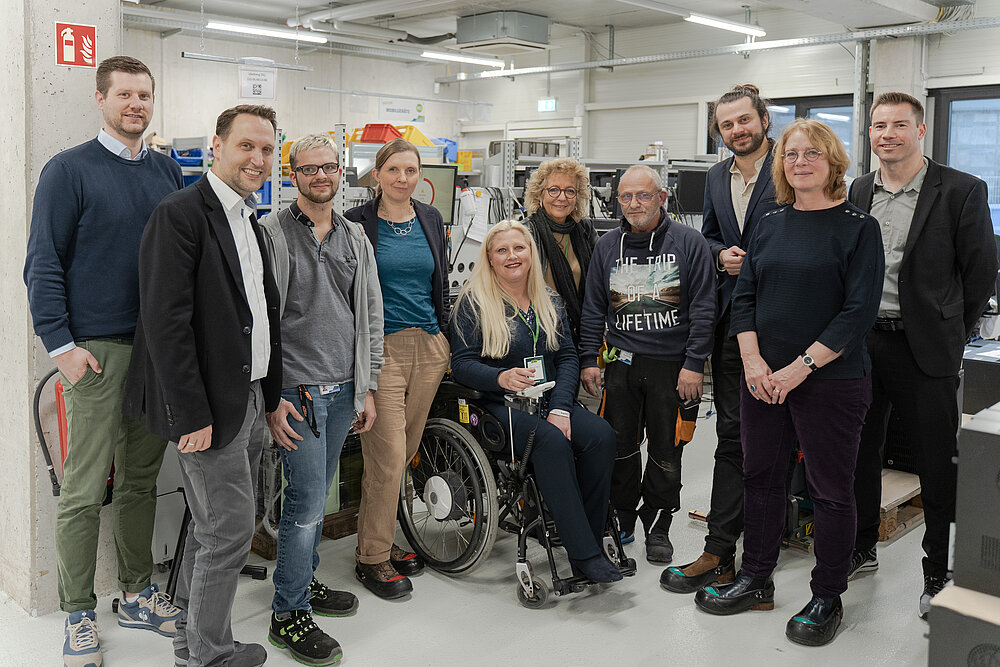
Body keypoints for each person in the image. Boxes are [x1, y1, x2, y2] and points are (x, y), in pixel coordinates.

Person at [695, 120, 883, 647]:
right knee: (761, 478)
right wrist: (754, 364)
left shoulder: (857, 227)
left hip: (831, 380)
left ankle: (827, 593)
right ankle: (756, 577)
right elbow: (746, 297)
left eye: (813, 153)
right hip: (763, 380)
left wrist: (798, 368)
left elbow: (856, 313)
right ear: (782, 164)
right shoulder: (770, 223)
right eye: (793, 154)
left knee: (830, 492)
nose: (801, 161)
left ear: (833, 161)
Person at [23, 55, 184, 667]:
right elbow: (42, 264)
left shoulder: (168, 172)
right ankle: (78, 612)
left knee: (143, 481)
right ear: (100, 99)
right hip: (95, 354)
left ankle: (138, 592)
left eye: (145, 95)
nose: (136, 105)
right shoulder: (68, 171)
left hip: (155, 352)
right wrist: (62, 348)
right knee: (84, 490)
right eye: (124, 95)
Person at [123, 105, 283, 667]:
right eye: (247, 146)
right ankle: (208, 657)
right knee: (230, 535)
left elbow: (261, 316)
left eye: (266, 149)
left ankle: (192, 640)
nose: (258, 159)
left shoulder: (251, 222)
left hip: (252, 396)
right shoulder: (181, 215)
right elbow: (164, 323)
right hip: (209, 407)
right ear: (217, 145)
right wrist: (189, 413)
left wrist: (275, 393)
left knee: (212, 529)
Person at [847, 92, 997, 618]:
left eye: (897, 125)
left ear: (921, 130)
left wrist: (949, 328)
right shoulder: (858, 190)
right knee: (861, 452)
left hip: (924, 348)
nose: (886, 134)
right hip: (862, 343)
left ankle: (937, 571)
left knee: (936, 462)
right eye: (877, 125)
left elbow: (980, 274)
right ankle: (861, 547)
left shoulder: (960, 190)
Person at [260, 133, 384, 665]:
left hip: (342, 389)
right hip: (296, 390)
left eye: (329, 167)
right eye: (309, 169)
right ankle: (287, 614)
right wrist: (269, 396)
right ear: (292, 176)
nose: (321, 177)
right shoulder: (269, 233)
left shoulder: (355, 236)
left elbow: (371, 315)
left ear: (340, 173)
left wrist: (368, 386)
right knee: (307, 503)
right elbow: (259, 320)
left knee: (315, 496)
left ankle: (303, 585)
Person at [450, 220, 621, 583]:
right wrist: (500, 377)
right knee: (549, 440)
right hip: (498, 406)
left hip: (548, 399)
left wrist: (561, 407)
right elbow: (461, 365)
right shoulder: (473, 303)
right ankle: (585, 555)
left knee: (601, 435)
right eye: (503, 250)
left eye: (519, 248)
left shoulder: (550, 299)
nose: (512, 256)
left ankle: (587, 534)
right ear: (490, 259)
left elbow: (569, 358)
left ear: (531, 253)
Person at [663, 84, 780, 594]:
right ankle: (720, 551)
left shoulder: (793, 164)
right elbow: (709, 234)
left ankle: (762, 561)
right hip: (735, 327)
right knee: (732, 440)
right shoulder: (714, 178)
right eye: (727, 124)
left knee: (778, 447)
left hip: (787, 327)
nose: (737, 130)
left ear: (764, 119)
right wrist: (718, 256)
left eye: (744, 120)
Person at [579, 164, 716, 564]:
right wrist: (590, 359)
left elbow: (706, 308)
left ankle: (658, 524)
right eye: (626, 196)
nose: (634, 204)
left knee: (666, 450)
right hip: (620, 366)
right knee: (619, 448)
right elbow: (593, 309)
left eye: (643, 195)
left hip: (672, 368)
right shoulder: (607, 247)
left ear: (662, 197)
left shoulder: (690, 243)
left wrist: (694, 363)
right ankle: (622, 517)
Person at [344, 138, 450, 599]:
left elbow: (439, 284)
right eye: (393, 170)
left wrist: (444, 337)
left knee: (404, 452)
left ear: (419, 175)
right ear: (377, 174)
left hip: (428, 346)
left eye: (410, 170)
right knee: (385, 458)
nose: (402, 179)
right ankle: (372, 558)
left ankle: (384, 540)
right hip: (379, 350)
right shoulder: (356, 224)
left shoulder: (431, 218)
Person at [522, 158, 598, 347]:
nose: (562, 197)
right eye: (553, 189)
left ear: (577, 196)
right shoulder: (525, 233)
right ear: (540, 193)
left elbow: (598, 280)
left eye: (569, 191)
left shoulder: (585, 230)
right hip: (536, 332)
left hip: (576, 332)